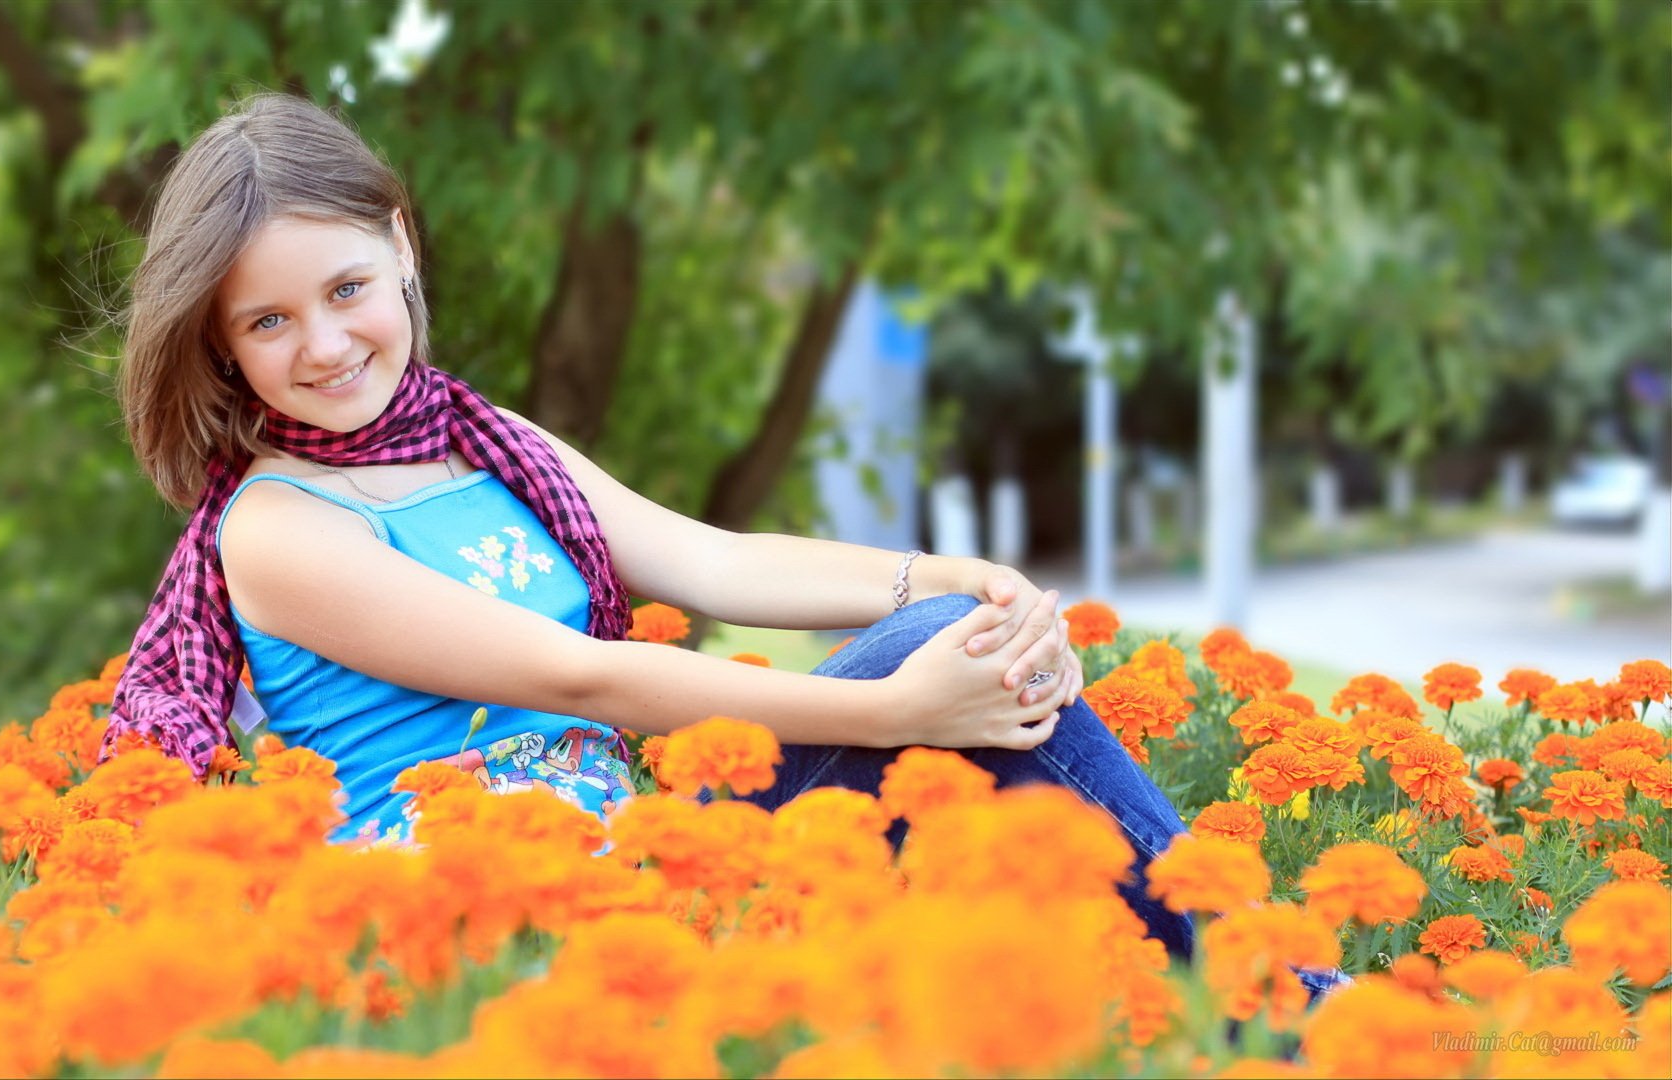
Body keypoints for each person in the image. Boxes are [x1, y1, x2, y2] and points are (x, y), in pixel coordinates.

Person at [102, 92, 1199, 964]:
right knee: (947, 661)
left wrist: (958, 578)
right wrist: (891, 710)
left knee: (965, 630)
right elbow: (582, 677)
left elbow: (717, 561)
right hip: (479, 919)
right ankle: (1256, 987)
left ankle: (1234, 991)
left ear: (401, 246)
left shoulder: (483, 444)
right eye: (270, 321)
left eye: (346, 289)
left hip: (626, 848)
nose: (325, 345)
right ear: (222, 343)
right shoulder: (275, 527)